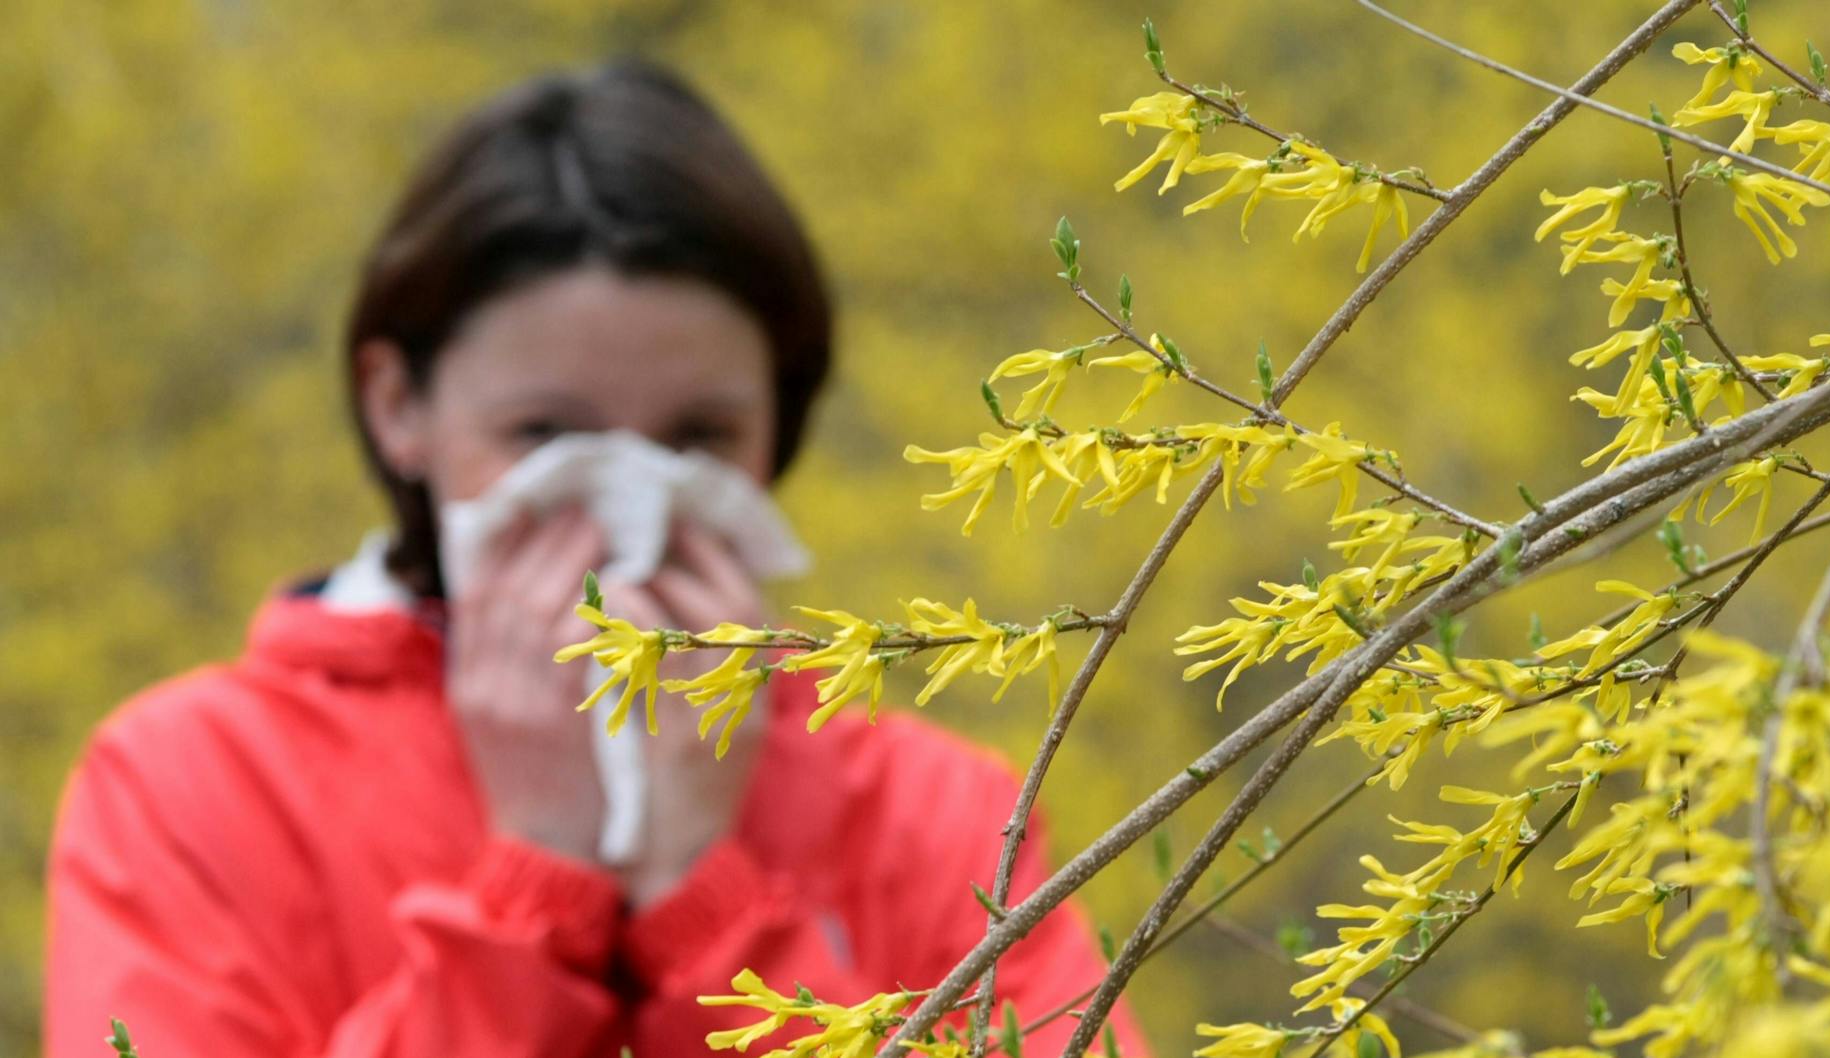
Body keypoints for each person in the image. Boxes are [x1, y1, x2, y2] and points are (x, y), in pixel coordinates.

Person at [41, 58, 1145, 1058]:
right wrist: (529, 884)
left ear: (779, 422)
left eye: (696, 438)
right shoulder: (190, 783)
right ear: (397, 404)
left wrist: (709, 909)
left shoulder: (932, 811)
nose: (625, 496)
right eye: (548, 437)